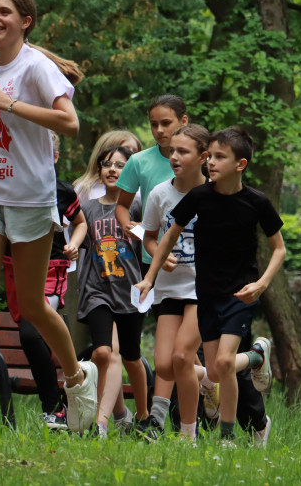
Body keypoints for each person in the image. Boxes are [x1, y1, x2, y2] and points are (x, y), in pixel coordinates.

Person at [0, 0, 97, 433]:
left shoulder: (37, 67)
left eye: (4, 12)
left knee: (30, 303)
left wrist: (12, 104)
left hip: (29, 198)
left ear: (25, 20)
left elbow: (70, 123)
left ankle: (76, 378)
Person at [138, 126, 284, 447]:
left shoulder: (257, 202)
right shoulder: (199, 197)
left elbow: (280, 249)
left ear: (240, 164)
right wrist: (150, 277)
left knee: (222, 363)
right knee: (216, 372)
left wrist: (261, 284)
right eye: (211, 157)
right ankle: (257, 356)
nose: (212, 163)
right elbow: (168, 236)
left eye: (220, 157)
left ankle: (226, 437)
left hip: (239, 294)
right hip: (206, 293)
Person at [1, 132, 87, 430]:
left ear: (54, 157)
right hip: (13, 266)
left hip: (52, 267)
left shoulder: (63, 191)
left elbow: (80, 222)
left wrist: (74, 243)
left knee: (30, 331)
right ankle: (68, 399)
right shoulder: (8, 185)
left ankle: (53, 405)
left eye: (43, 151)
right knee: (37, 335)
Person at [141, 124, 214, 441]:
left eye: (183, 151)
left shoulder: (217, 194)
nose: (174, 156)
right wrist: (160, 256)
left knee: (182, 356)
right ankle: (207, 377)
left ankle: (188, 434)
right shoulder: (160, 194)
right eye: (172, 151)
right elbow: (149, 238)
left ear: (203, 157)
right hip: (168, 288)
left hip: (203, 289)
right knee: (165, 366)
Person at [78, 145, 148, 437]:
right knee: (104, 352)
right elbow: (77, 237)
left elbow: (154, 237)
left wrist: (142, 231)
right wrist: (69, 248)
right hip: (98, 291)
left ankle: (143, 416)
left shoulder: (135, 207)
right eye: (107, 164)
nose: (112, 170)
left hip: (131, 292)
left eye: (120, 166)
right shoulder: (89, 210)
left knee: (131, 357)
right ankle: (100, 422)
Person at [115, 95, 189, 268]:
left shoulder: (202, 160)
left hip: (196, 252)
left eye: (165, 123)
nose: (159, 130)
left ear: (183, 121)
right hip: (153, 254)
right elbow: (122, 205)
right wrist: (128, 226)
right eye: (154, 124)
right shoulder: (138, 161)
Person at [74, 130, 141, 204]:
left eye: (135, 152)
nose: (131, 155)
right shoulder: (86, 188)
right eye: (125, 150)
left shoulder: (140, 189)